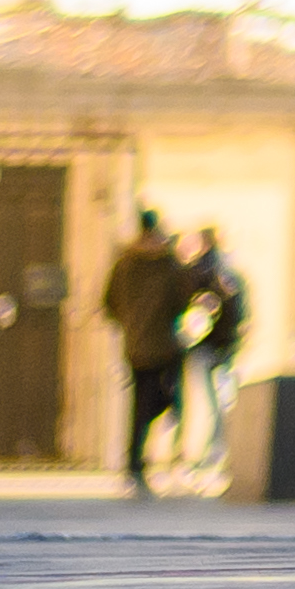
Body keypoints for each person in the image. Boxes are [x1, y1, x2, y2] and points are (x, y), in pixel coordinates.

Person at [100, 208, 190, 494]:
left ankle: (134, 461)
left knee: (140, 402)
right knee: (164, 398)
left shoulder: (124, 263)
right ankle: (140, 459)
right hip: (164, 343)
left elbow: (109, 302)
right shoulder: (168, 262)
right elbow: (181, 300)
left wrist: (129, 322)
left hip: (135, 343)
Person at [180, 230, 248, 487]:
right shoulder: (229, 273)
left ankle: (200, 454)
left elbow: (184, 309)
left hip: (202, 348)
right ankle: (214, 451)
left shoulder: (195, 273)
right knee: (219, 403)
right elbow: (240, 311)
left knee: (202, 402)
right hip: (225, 347)